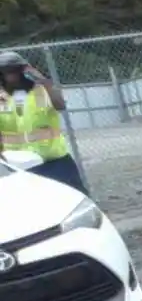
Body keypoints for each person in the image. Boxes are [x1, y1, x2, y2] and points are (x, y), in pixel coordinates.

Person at [0, 50, 87, 194]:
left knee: (73, 197)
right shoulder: (1, 98)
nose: (11, 76)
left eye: (14, 70)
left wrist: (44, 81)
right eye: (6, 72)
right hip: (19, 165)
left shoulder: (41, 90)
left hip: (54, 160)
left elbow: (60, 105)